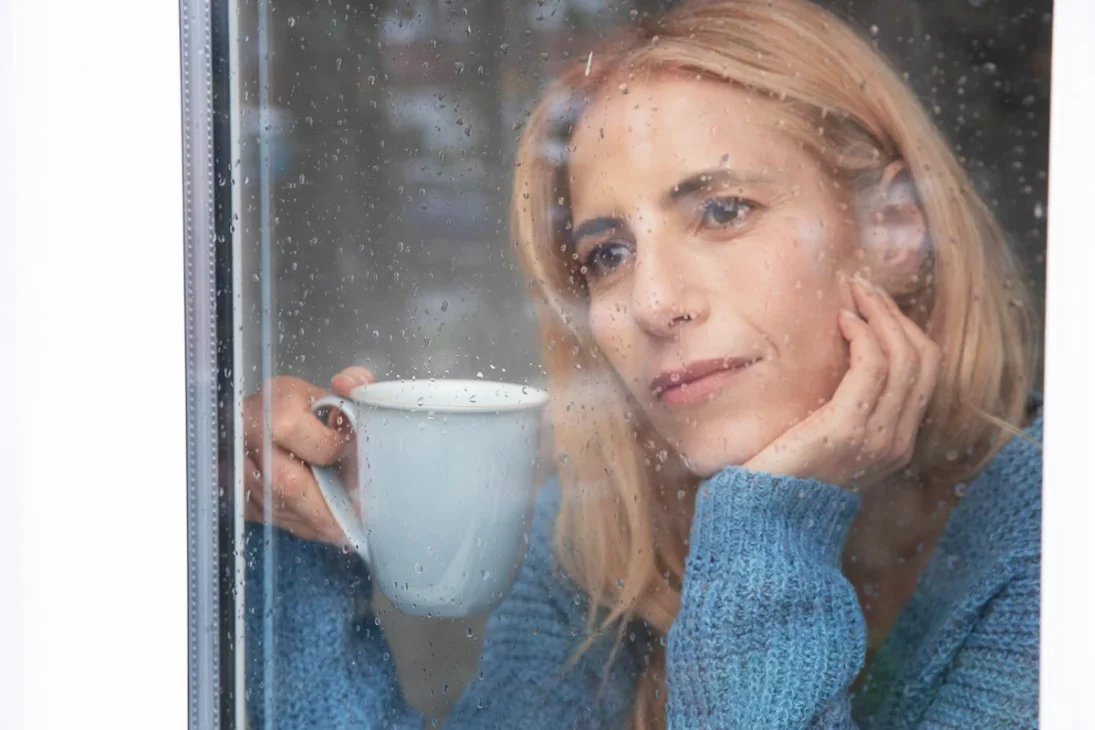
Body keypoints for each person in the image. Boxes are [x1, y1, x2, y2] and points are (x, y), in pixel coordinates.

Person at [242, 0, 1042, 727]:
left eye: (722, 212)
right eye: (608, 254)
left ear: (894, 230)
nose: (653, 303)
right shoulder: (597, 534)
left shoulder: (1054, 543)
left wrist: (768, 530)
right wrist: (306, 540)